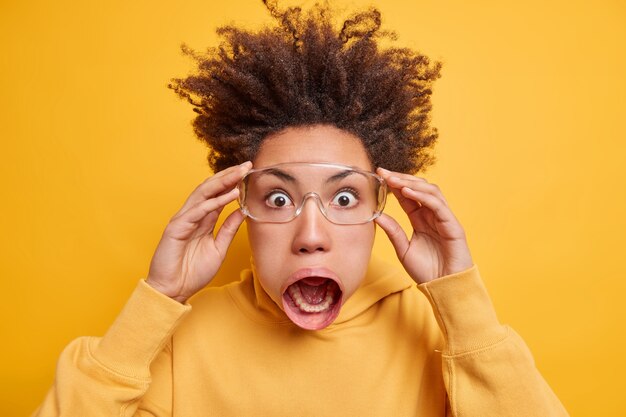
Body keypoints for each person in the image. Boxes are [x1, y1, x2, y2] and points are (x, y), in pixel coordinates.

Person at [33, 1, 569, 416]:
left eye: (343, 198)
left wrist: (465, 310)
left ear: (383, 208)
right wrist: (156, 302)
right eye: (279, 198)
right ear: (239, 206)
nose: (311, 235)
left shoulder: (436, 333)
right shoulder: (180, 338)